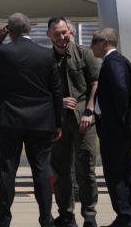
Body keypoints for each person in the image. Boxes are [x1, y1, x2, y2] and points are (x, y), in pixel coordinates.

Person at [0, 13, 62, 227]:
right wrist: (58, 122)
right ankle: (46, 218)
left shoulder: (3, 52)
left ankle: (3, 220)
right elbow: (56, 91)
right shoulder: (46, 55)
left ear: (9, 30)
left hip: (10, 121)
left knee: (8, 171)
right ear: (30, 29)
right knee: (42, 171)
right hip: (41, 121)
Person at [45, 17, 100, 227]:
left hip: (83, 120)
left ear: (70, 31)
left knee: (86, 168)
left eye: (64, 32)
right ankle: (67, 215)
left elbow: (95, 82)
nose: (61, 37)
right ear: (49, 35)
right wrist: (58, 102)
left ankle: (89, 215)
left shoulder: (84, 54)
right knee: (60, 171)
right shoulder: (45, 58)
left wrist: (89, 110)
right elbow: (40, 89)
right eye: (57, 34)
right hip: (57, 122)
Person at [91, 27, 131, 227]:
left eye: (94, 41)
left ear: (105, 43)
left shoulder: (113, 63)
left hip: (115, 131)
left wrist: (118, 123)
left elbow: (121, 92)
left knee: (116, 173)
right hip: (117, 129)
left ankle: (124, 216)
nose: (91, 45)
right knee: (122, 173)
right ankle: (128, 215)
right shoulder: (117, 61)